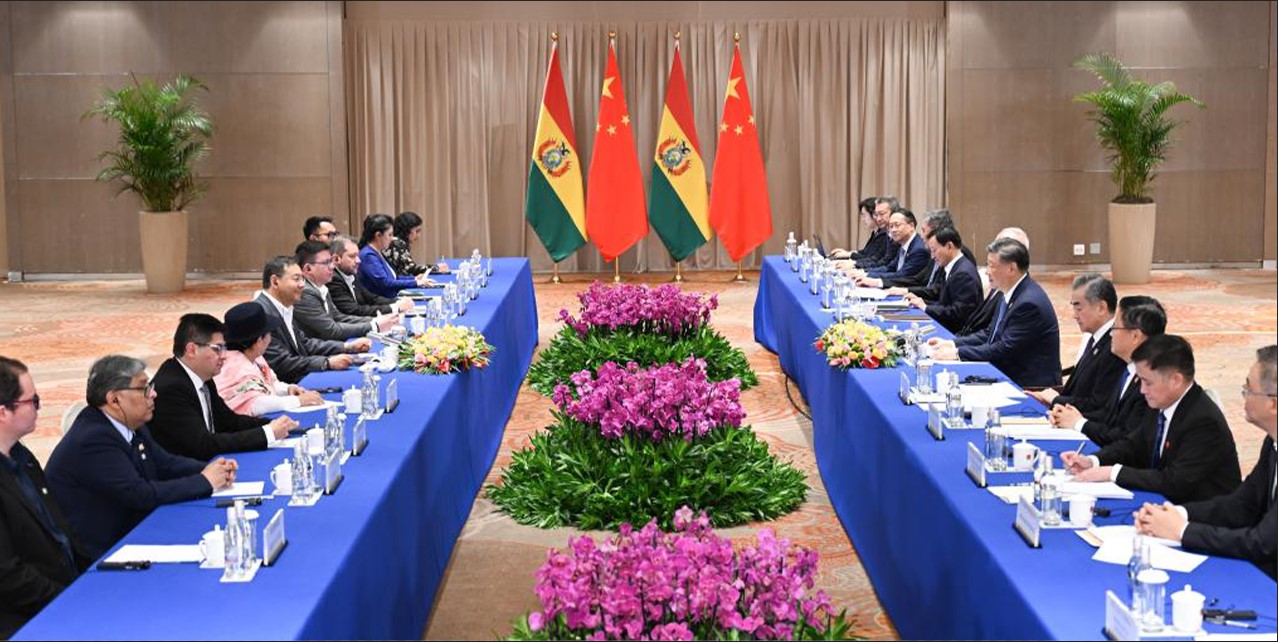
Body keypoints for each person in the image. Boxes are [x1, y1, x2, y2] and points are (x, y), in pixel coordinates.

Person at [45, 356, 236, 560]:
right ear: (114, 399)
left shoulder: (131, 424)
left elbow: (166, 464)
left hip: (133, 531)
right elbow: (140, 494)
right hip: (102, 554)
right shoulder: (93, 439)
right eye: (144, 388)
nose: (153, 393)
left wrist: (213, 468)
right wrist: (205, 481)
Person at [1134, 345, 1277, 579]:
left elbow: (1263, 542)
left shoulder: (1203, 418)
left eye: (1248, 389)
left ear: (1272, 403)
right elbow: (1242, 505)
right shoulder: (1271, 443)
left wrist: (1182, 531)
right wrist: (1177, 513)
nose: (1243, 394)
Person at [1062, 335, 1241, 504]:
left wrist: (1113, 472)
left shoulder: (1203, 421)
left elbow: (1175, 481)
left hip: (1200, 517)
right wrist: (1092, 461)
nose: (1142, 390)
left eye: (1147, 383)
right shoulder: (1162, 402)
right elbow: (1132, 445)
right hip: (1162, 502)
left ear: (1175, 380)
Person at [1, 357, 91, 639]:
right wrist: (68, 600)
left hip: (65, 596)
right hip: (26, 619)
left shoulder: (23, 458)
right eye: (33, 401)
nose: (40, 408)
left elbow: (60, 530)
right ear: (4, 412)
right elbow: (7, 574)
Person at [149, 314, 297, 460]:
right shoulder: (171, 388)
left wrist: (271, 424)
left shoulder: (202, 376)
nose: (224, 356)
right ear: (191, 350)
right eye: (217, 348)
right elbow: (203, 445)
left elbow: (228, 422)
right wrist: (267, 434)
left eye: (224, 348)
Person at [928, 238, 1061, 388]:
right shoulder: (1008, 292)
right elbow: (990, 333)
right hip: (1004, 370)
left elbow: (1003, 348)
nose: (986, 271)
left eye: (991, 265)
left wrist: (957, 353)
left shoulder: (1028, 304)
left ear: (1011, 268)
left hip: (1028, 385)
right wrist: (952, 343)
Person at [1051, 296, 1166, 446]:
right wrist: (1068, 416)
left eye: (1115, 328)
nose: (1110, 334)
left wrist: (1080, 423)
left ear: (1135, 336)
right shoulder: (1129, 369)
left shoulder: (1151, 382)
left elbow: (1126, 438)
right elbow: (1108, 414)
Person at [256, 256, 368, 384]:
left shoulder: (283, 306)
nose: (302, 285)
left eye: (302, 279)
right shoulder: (262, 314)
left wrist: (347, 346)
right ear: (275, 282)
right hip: (287, 387)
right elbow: (281, 362)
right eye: (296, 279)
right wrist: (326, 363)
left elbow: (304, 344)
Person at [1027, 274, 1126, 413]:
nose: (1074, 315)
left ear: (1101, 308)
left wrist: (1056, 399)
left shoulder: (1115, 347)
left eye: (1079, 308)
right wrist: (1048, 397)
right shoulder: (1093, 338)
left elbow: (1098, 404)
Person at [215, 302, 325, 416]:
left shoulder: (253, 356)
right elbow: (256, 404)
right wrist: (299, 401)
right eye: (268, 334)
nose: (270, 338)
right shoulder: (235, 367)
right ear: (259, 341)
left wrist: (288, 389)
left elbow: (267, 384)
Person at [294, 240, 397, 341]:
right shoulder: (305, 292)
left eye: (331, 261)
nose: (332, 266)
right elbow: (332, 330)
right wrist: (374, 325)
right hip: (321, 352)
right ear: (308, 269)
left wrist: (375, 320)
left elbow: (338, 317)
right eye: (326, 263)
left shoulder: (321, 287)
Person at [901, 226, 982, 333]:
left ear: (949, 246)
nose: (932, 256)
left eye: (934, 250)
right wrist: (920, 301)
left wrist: (926, 307)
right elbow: (943, 302)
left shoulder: (963, 273)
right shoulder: (952, 266)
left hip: (956, 332)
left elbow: (958, 313)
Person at [958, 227, 1029, 337]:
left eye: (1002, 246)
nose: (987, 271)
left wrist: (957, 350)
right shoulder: (1001, 285)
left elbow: (997, 344)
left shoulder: (1024, 301)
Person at [328, 235, 415, 318]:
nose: (358, 261)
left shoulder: (350, 273)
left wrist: (398, 302)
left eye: (357, 256)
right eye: (352, 256)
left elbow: (371, 298)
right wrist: (395, 308)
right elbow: (354, 311)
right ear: (336, 259)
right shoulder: (333, 279)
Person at [357, 214, 437, 299]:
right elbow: (385, 283)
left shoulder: (377, 252)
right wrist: (415, 283)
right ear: (378, 235)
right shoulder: (368, 255)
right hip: (383, 304)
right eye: (390, 235)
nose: (392, 239)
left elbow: (393, 277)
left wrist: (414, 278)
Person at [841, 209, 928, 284]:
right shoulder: (903, 244)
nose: (893, 230)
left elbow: (901, 275)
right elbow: (890, 268)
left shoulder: (918, 249)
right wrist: (863, 272)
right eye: (890, 226)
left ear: (911, 226)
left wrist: (867, 275)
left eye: (897, 225)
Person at [386, 211, 450, 277]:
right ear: (406, 230)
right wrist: (436, 268)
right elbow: (410, 269)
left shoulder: (397, 242)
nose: (418, 235)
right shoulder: (397, 244)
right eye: (417, 231)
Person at [829, 198, 884, 262]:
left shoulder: (883, 235)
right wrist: (847, 253)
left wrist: (849, 255)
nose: (863, 219)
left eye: (864, 215)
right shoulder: (875, 233)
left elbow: (870, 258)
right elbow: (865, 252)